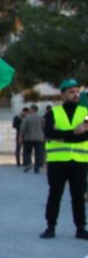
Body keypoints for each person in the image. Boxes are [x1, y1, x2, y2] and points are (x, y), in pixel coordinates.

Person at [41, 79, 88, 239]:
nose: (75, 95)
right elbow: (49, 133)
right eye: (71, 92)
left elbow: (85, 135)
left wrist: (63, 135)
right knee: (55, 195)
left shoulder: (86, 112)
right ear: (63, 95)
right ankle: (50, 227)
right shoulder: (52, 113)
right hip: (57, 161)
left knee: (78, 196)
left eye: (77, 92)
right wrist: (73, 133)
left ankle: (81, 228)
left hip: (80, 160)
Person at [20, 104, 45, 173]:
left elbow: (23, 128)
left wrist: (21, 137)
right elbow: (44, 127)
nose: (29, 110)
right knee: (38, 153)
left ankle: (28, 164)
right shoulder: (41, 118)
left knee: (27, 152)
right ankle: (37, 167)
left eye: (30, 109)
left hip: (29, 138)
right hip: (39, 138)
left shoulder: (27, 118)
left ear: (33, 110)